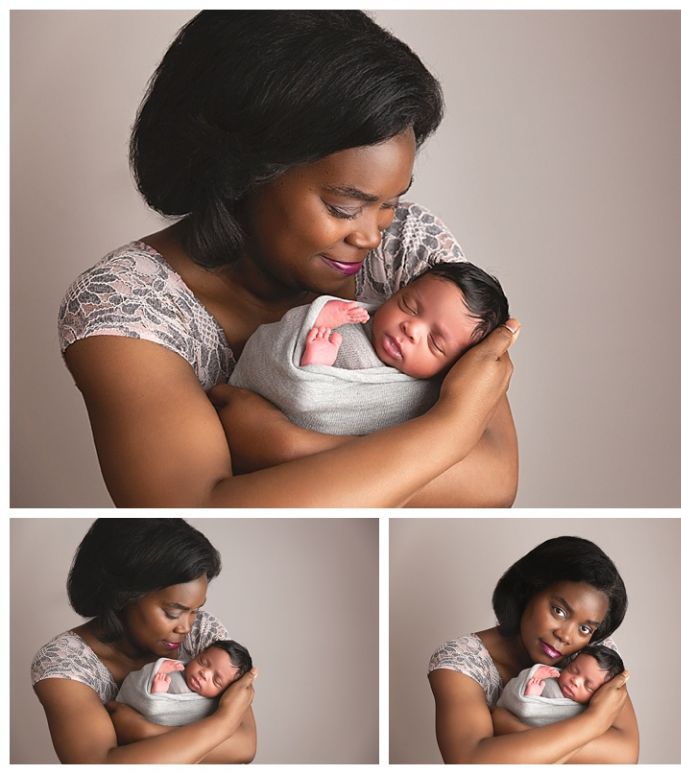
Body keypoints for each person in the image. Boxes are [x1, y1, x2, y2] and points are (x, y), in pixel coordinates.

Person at [57, 10, 519, 507]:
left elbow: (493, 481)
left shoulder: (408, 251)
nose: (370, 235)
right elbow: (203, 513)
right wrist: (452, 431)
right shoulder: (127, 310)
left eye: (390, 202)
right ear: (240, 175)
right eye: (344, 207)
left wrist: (288, 446)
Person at [31, 520, 257, 764]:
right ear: (123, 596)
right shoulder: (64, 664)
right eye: (173, 612)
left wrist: (144, 732)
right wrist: (223, 723)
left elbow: (245, 746)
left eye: (195, 610)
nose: (186, 627)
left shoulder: (203, 634)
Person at [228, 261, 509, 442]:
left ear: (454, 366)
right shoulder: (352, 319)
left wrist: (316, 376)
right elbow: (269, 342)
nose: (411, 329)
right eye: (409, 306)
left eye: (435, 342)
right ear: (396, 292)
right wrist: (319, 318)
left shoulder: (419, 397)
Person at [427, 536, 639, 763]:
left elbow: (625, 755)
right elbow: (471, 762)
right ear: (527, 591)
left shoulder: (593, 653)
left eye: (585, 628)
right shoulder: (460, 661)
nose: (566, 636)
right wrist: (594, 722)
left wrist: (510, 730)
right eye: (559, 611)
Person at [115, 640, 253, 727]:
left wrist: (158, 694)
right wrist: (159, 670)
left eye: (216, 680)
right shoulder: (177, 668)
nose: (204, 673)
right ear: (197, 655)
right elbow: (136, 681)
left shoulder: (206, 706)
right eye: (203, 662)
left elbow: (161, 714)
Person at [496, 645, 626, 728]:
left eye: (588, 686)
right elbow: (517, 702)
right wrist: (534, 681)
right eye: (573, 670)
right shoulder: (550, 678)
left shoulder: (582, 712)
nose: (575, 681)